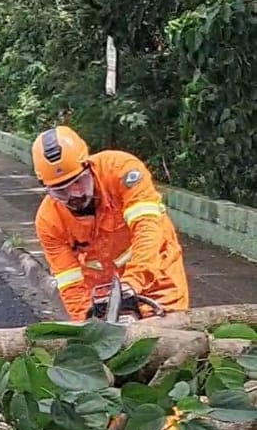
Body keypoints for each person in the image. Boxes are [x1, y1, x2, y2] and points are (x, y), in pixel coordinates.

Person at [32, 125, 189, 322]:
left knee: (169, 341)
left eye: (78, 182)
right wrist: (88, 320)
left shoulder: (122, 171)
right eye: (61, 191)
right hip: (101, 297)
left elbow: (148, 228)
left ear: (88, 166)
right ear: (47, 190)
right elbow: (70, 283)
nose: (75, 194)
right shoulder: (49, 221)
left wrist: (132, 282)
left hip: (159, 281)